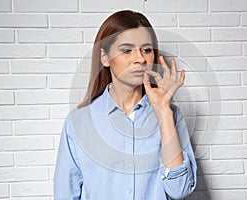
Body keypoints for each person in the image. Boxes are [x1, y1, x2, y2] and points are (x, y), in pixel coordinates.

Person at [54, 10, 197, 200]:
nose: (140, 59)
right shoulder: (78, 122)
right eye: (127, 50)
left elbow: (179, 190)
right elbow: (65, 194)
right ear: (105, 57)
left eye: (146, 50)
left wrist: (163, 112)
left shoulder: (171, 115)